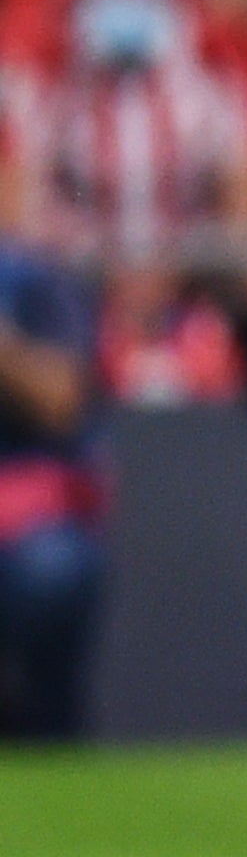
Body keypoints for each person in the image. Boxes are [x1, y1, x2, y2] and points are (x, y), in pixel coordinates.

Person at [0, 0, 247, 404]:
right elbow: (17, 205)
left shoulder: (214, 58)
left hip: (189, 283)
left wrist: (194, 261)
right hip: (79, 290)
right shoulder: (43, 63)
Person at [0, 236, 97, 739]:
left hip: (20, 513)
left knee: (55, 566)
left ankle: (38, 730)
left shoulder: (31, 279)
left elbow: (62, 401)